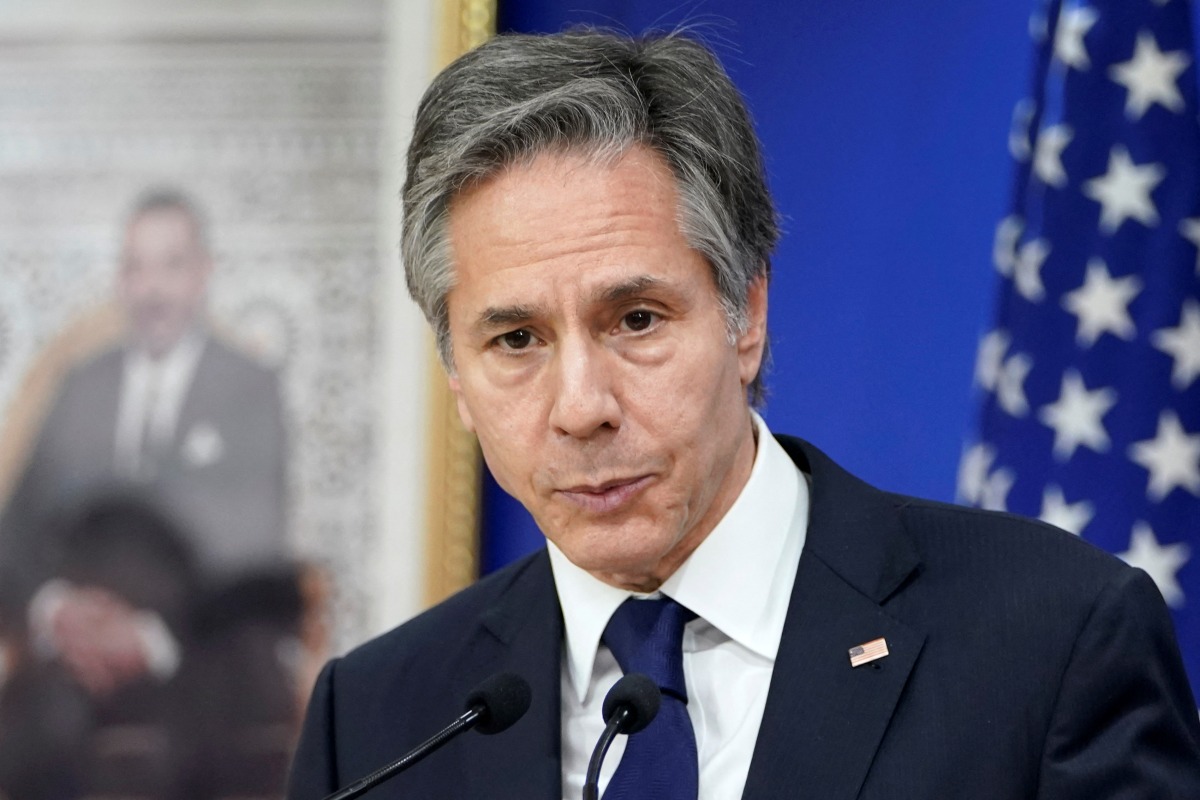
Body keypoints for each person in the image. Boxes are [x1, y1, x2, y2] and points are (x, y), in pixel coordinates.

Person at [288, 30, 1200, 799]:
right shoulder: (376, 723)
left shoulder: (1051, 641)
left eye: (636, 319)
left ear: (747, 315)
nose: (580, 408)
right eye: (515, 340)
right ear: (455, 373)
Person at [0, 187, 288, 707]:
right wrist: (56, 608)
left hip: (200, 653)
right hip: (68, 669)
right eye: (136, 268)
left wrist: (149, 633)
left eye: (171, 266)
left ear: (203, 273)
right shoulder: (79, 385)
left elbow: (255, 541)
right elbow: (17, 529)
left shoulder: (249, 387)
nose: (152, 290)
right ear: (120, 280)